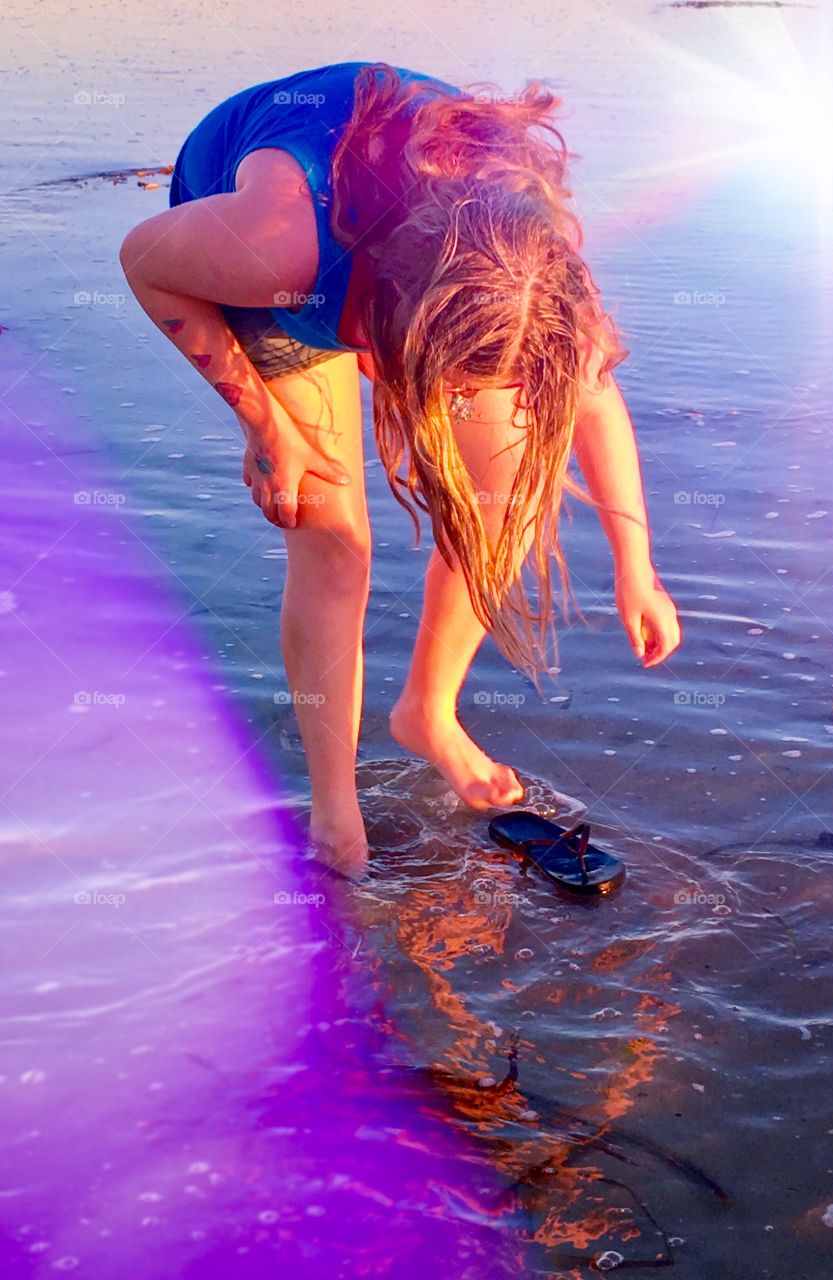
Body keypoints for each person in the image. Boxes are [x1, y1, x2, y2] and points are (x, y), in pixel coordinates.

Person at [119, 61, 681, 877]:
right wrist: (263, 422)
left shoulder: (535, 277)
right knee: (330, 531)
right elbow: (145, 263)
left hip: (432, 252)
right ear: (395, 330)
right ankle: (334, 814)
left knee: (506, 490)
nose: (451, 408)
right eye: (443, 386)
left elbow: (591, 401)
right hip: (269, 250)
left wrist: (638, 569)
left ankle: (429, 712)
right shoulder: (276, 250)